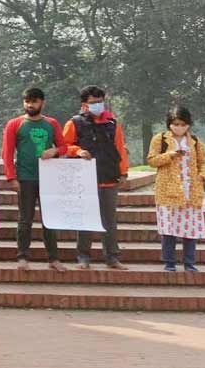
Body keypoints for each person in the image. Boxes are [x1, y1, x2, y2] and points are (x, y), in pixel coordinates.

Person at [60, 85, 130, 271]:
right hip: (84, 179)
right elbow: (63, 146)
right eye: (93, 102)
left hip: (109, 176)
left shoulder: (113, 123)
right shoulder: (74, 123)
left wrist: (123, 173)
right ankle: (83, 257)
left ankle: (112, 258)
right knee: (85, 219)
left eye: (100, 102)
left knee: (109, 220)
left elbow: (120, 149)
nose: (98, 105)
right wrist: (78, 150)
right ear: (84, 104)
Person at [1, 88, 65, 271]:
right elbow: (7, 153)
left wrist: (54, 151)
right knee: (25, 220)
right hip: (25, 178)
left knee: (49, 220)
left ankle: (54, 258)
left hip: (48, 178)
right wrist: (11, 178)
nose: (30, 105)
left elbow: (64, 147)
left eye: (34, 101)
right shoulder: (15, 124)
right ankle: (22, 257)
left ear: (42, 102)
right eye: (27, 101)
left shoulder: (51, 123)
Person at [146, 106, 205, 272]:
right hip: (167, 192)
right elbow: (151, 160)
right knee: (169, 229)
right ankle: (169, 262)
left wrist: (202, 176)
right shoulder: (160, 139)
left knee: (190, 229)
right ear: (169, 124)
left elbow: (204, 163)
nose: (179, 127)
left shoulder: (195, 141)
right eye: (175, 124)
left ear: (188, 124)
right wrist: (170, 155)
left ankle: (189, 263)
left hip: (191, 191)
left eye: (182, 124)